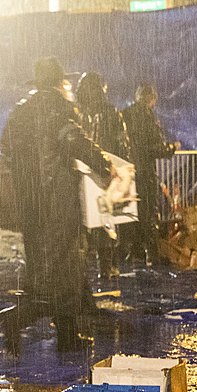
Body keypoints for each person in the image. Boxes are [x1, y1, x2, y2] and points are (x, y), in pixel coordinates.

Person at [0, 58, 112, 355]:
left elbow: (6, 145)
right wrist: (103, 164)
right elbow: (73, 139)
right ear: (57, 82)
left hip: (32, 205)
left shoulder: (21, 112)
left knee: (51, 270)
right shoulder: (55, 107)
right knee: (61, 270)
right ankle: (17, 319)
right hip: (57, 203)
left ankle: (68, 335)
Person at [76, 72, 129, 277]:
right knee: (105, 218)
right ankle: (106, 266)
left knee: (83, 219)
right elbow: (122, 144)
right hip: (106, 170)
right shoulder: (111, 113)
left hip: (81, 172)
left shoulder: (76, 112)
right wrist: (118, 166)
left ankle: (81, 267)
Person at [121, 83, 177, 266]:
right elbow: (155, 147)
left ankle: (133, 251)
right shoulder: (147, 117)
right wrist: (171, 148)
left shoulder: (125, 115)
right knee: (149, 213)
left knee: (131, 211)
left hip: (128, 172)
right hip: (145, 172)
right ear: (151, 100)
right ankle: (152, 254)